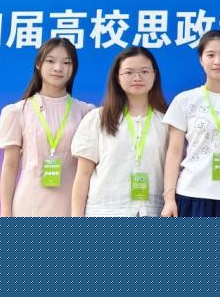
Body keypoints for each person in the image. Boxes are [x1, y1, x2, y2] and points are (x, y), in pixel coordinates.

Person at [0, 38, 95, 216]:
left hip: (72, 204)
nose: (58, 68)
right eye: (50, 61)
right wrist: (5, 212)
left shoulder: (86, 112)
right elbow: (10, 165)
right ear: (38, 64)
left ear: (73, 68)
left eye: (66, 63)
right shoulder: (18, 111)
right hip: (29, 203)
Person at [71, 46, 169, 216]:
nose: (137, 77)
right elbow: (82, 175)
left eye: (144, 71)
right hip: (105, 212)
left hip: (153, 211)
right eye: (129, 72)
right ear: (117, 77)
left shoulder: (167, 121)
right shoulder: (98, 118)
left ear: (154, 75)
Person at [161, 30, 220, 217]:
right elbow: (174, 152)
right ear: (201, 60)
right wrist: (169, 199)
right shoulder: (185, 100)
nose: (217, 61)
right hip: (192, 194)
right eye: (210, 55)